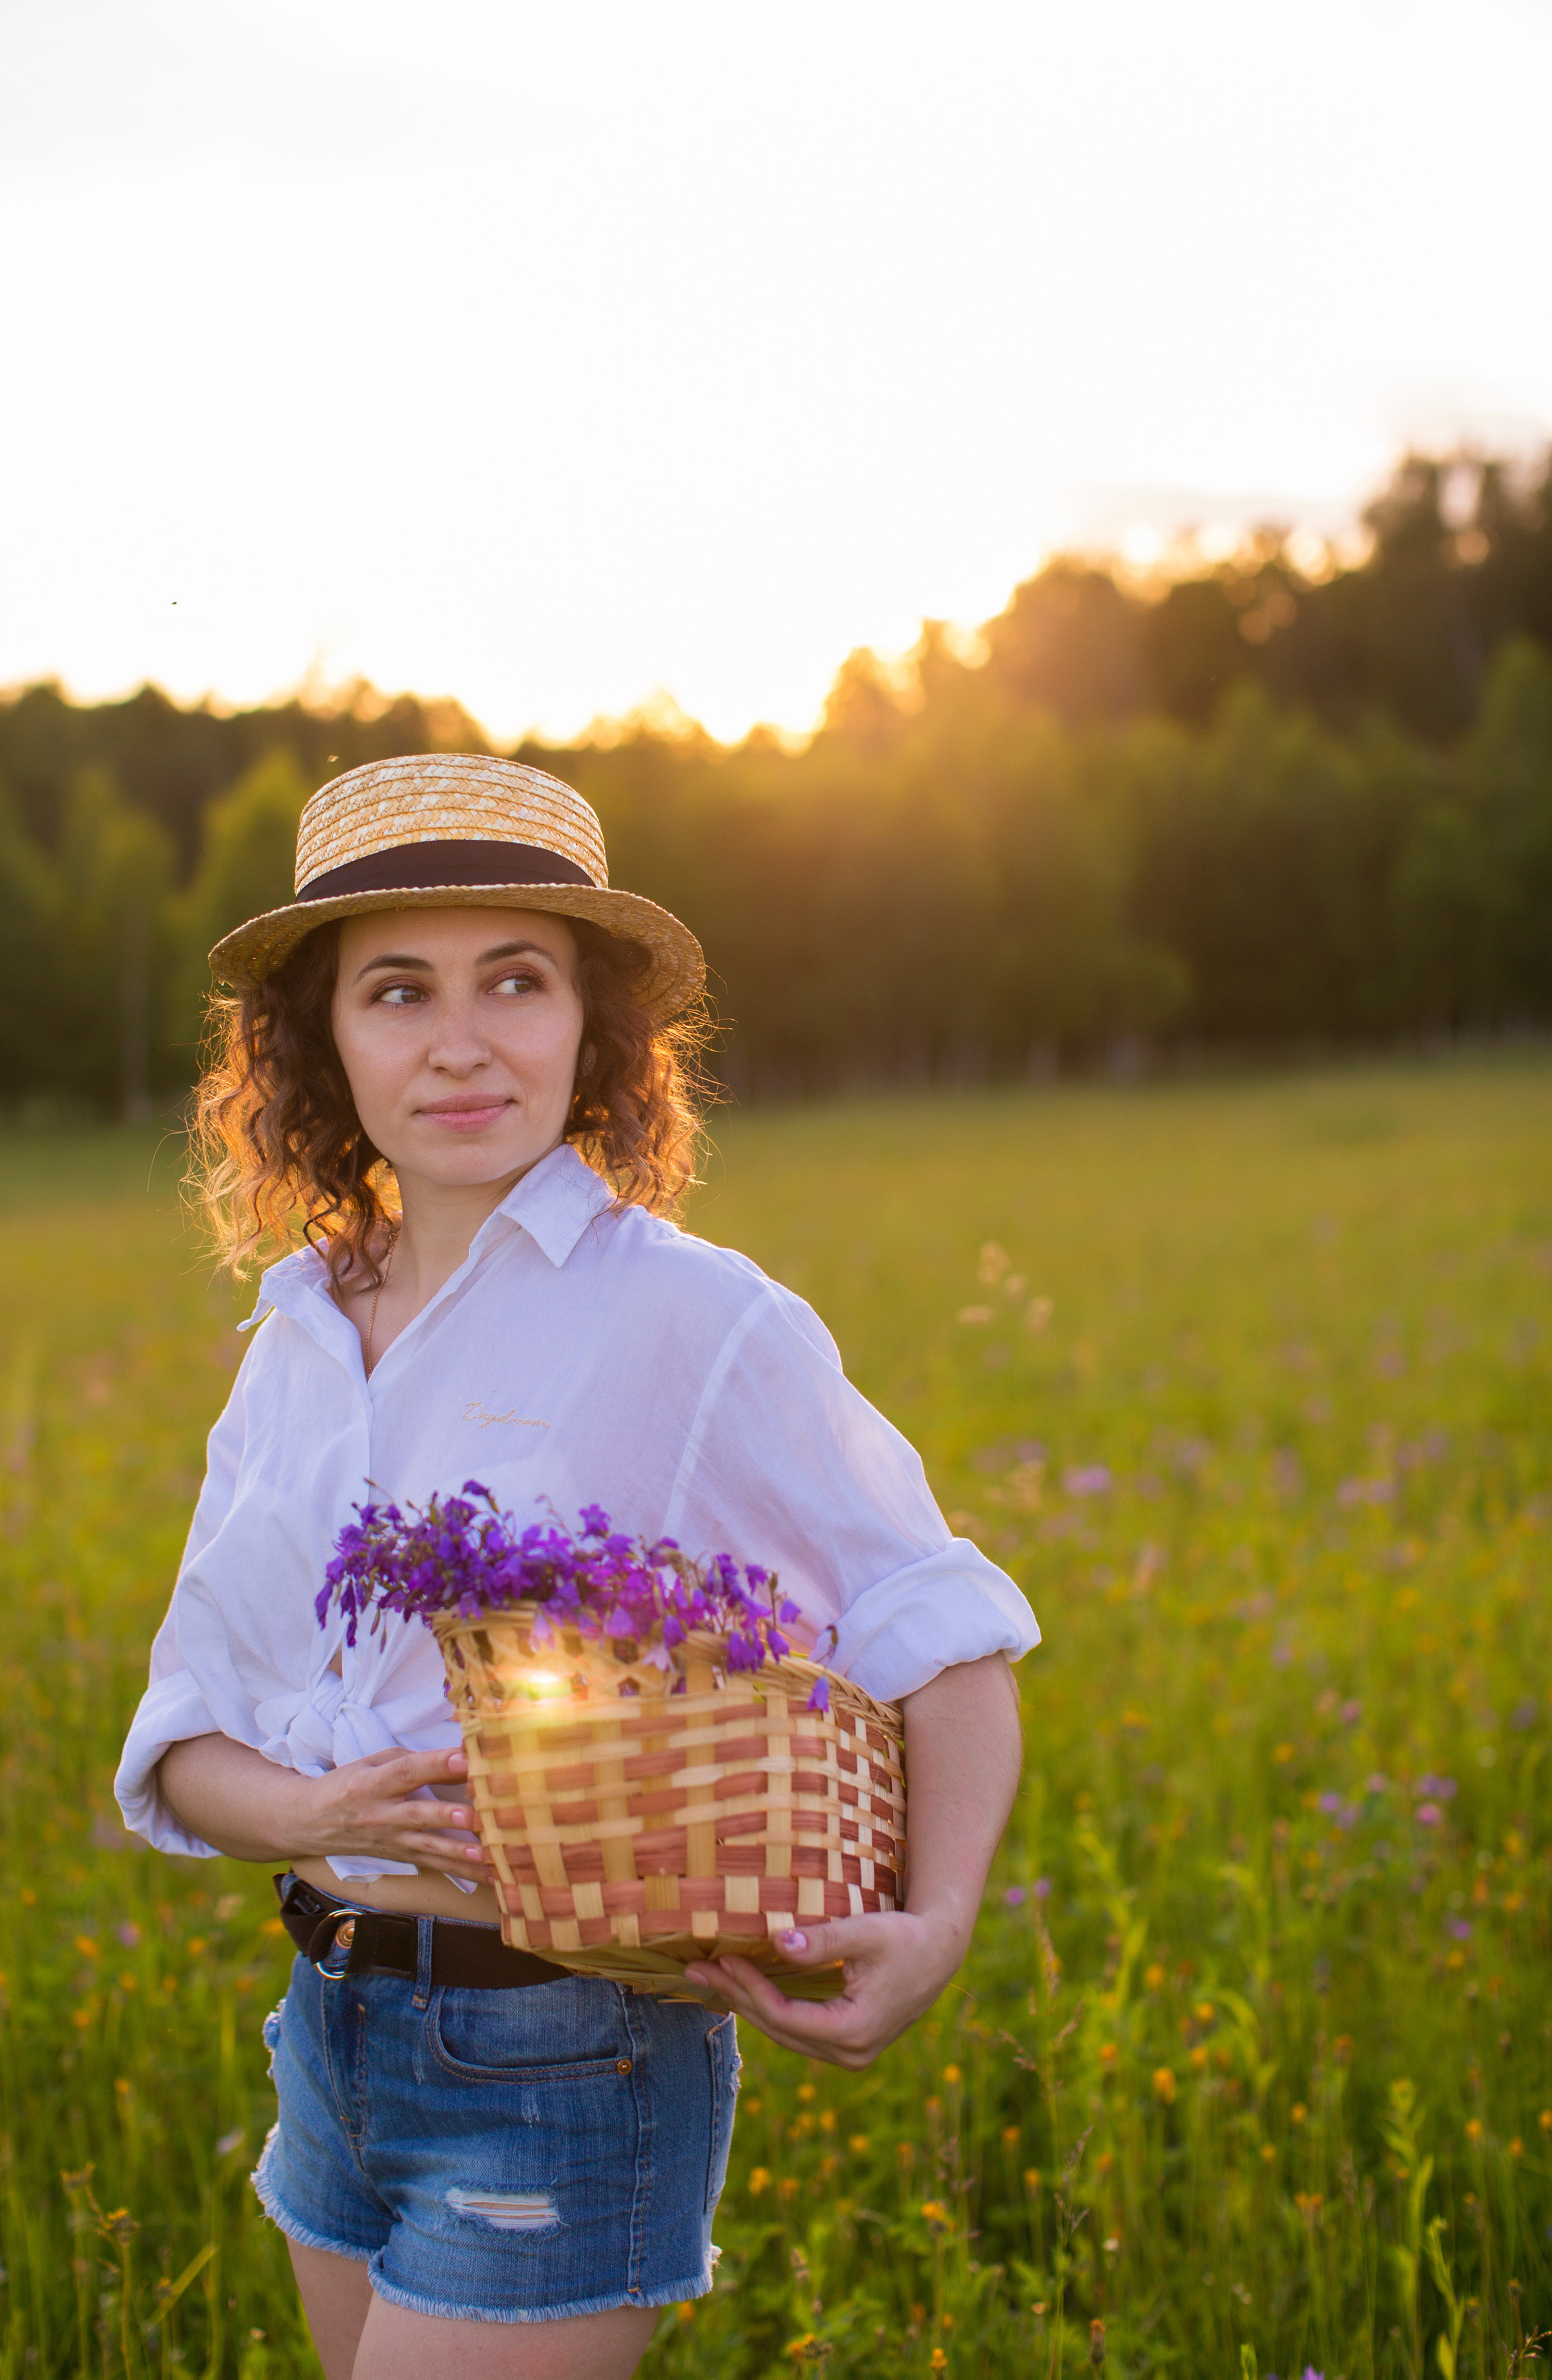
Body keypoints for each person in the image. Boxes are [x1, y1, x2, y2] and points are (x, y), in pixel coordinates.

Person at [116, 752, 1037, 2380]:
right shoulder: (293, 1335)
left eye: (514, 981)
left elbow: (935, 1628)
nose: (461, 1041)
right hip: (325, 2033)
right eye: (397, 990)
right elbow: (187, 1731)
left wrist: (939, 1917)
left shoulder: (691, 1315)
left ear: (588, 1024)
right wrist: (317, 1814)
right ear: (323, 1042)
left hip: (563, 2051)